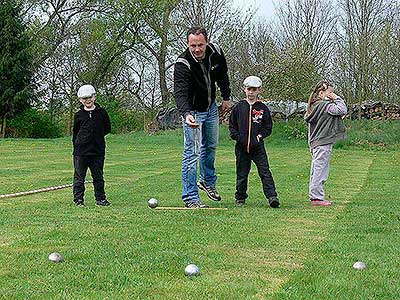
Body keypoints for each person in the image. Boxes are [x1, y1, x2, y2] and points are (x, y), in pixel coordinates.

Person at [174, 26, 232, 208]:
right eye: (193, 46)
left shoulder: (216, 53)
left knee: (211, 146)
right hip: (193, 112)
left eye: (200, 45)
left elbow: (223, 76)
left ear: (207, 42)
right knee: (191, 153)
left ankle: (207, 181)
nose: (197, 49)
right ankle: (190, 198)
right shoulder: (183, 64)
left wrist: (227, 97)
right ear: (187, 44)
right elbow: (180, 93)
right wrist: (186, 114)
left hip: (211, 109)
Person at [229, 76, 280, 208]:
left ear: (259, 90)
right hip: (241, 148)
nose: (251, 92)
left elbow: (268, 127)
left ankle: (272, 196)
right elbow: (232, 127)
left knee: (265, 171)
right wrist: (239, 138)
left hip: (258, 148)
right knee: (242, 173)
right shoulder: (238, 107)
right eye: (249, 89)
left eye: (254, 89)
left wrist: (260, 136)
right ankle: (240, 196)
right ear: (244, 89)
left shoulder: (262, 108)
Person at [304, 80, 347, 206]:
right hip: (323, 142)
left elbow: (333, 115)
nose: (332, 95)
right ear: (322, 93)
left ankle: (316, 196)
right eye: (330, 92)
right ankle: (316, 198)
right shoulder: (324, 105)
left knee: (317, 169)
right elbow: (342, 109)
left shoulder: (315, 106)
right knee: (320, 170)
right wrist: (337, 98)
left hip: (316, 142)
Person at [72, 84, 111, 207]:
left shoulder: (102, 112)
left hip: (97, 151)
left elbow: (107, 128)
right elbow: (75, 132)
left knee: (98, 177)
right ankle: (78, 200)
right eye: (84, 98)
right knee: (79, 178)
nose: (87, 100)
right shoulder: (78, 115)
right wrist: (79, 144)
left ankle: (100, 199)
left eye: (90, 97)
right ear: (80, 100)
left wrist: (96, 138)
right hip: (81, 152)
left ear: (94, 97)